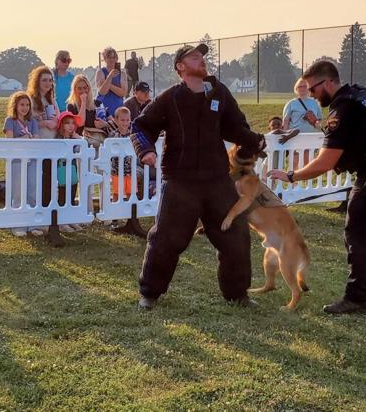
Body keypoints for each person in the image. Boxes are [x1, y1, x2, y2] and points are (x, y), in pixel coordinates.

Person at [131, 43, 265, 310]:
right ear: (180, 67)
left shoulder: (219, 93)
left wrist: (254, 142)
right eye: (194, 57)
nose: (201, 60)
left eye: (203, 57)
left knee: (235, 234)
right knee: (167, 239)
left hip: (217, 179)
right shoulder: (170, 98)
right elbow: (141, 127)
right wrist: (145, 150)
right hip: (180, 181)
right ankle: (150, 294)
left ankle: (237, 294)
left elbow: (235, 127)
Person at [268, 60, 366, 315]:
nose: (310, 94)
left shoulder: (343, 110)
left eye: (312, 88)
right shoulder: (363, 95)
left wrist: (291, 175)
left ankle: (357, 297)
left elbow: (326, 161)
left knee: (356, 232)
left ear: (328, 82)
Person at [3, 91, 42, 238]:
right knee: (19, 192)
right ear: (15, 106)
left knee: (32, 191)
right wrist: (25, 138)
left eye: (27, 105)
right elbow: (10, 140)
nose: (25, 108)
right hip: (17, 161)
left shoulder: (32, 122)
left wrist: (29, 138)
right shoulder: (10, 121)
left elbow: (37, 138)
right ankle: (17, 224)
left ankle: (33, 224)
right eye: (22, 105)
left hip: (31, 160)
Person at [27, 65, 61, 210]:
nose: (48, 83)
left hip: (52, 143)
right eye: (44, 80)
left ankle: (48, 207)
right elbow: (28, 122)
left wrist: (55, 122)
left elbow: (59, 117)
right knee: (37, 178)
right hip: (38, 143)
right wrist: (44, 122)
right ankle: (36, 207)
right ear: (37, 82)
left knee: (50, 177)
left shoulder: (52, 99)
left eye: (50, 80)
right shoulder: (31, 99)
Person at [54, 111, 82, 232]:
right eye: (67, 123)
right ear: (61, 125)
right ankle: (62, 222)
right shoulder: (58, 139)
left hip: (72, 169)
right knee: (62, 196)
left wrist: (78, 138)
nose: (71, 126)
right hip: (61, 170)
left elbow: (81, 147)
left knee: (72, 195)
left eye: (72, 123)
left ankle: (70, 219)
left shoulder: (74, 138)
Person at [103, 106, 134, 201]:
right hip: (117, 169)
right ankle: (114, 212)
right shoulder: (113, 135)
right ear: (116, 121)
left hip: (130, 169)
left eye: (127, 120)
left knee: (130, 192)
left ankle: (131, 213)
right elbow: (110, 148)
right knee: (117, 192)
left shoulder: (131, 135)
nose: (125, 123)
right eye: (122, 120)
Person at [94, 47, 128, 117]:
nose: (111, 60)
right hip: (103, 110)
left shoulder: (122, 74)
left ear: (116, 58)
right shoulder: (100, 72)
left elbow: (123, 93)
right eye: (109, 57)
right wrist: (109, 77)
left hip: (118, 110)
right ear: (105, 59)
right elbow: (102, 92)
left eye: (113, 57)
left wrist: (107, 83)